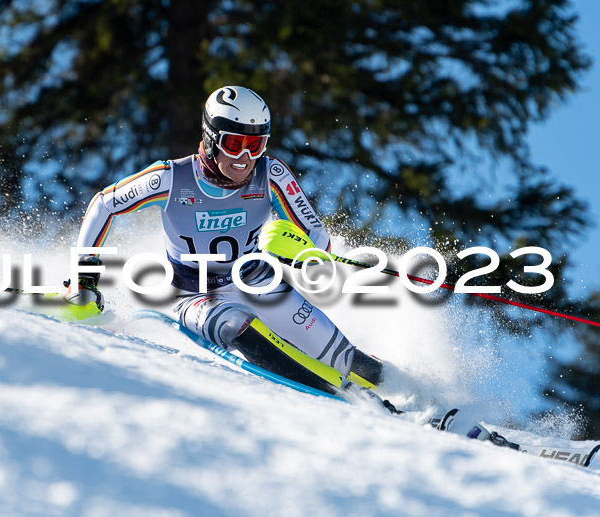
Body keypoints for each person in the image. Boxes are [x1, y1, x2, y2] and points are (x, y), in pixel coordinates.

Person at [66, 85, 392, 405]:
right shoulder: (171, 178)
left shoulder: (271, 174)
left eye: (256, 145)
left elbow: (316, 234)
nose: (245, 158)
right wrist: (85, 278)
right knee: (238, 327)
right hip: (195, 295)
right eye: (235, 144)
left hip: (258, 281)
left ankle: (410, 392)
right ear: (211, 139)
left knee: (349, 360)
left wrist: (304, 252)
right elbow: (104, 204)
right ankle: (348, 397)